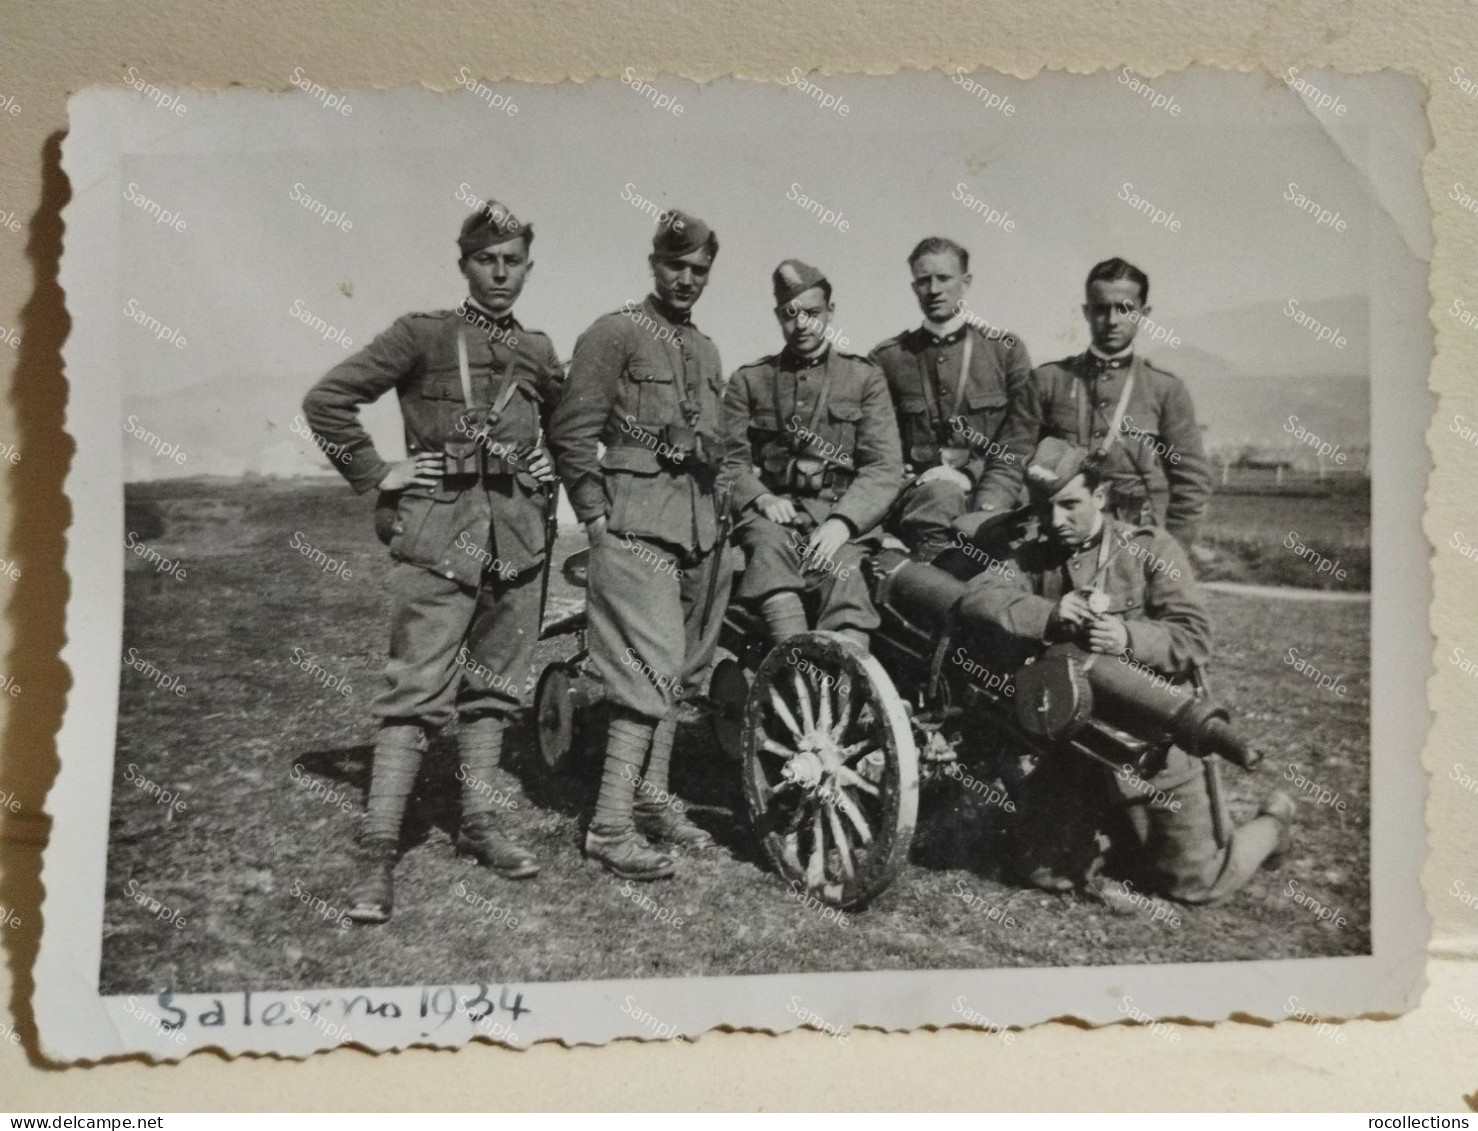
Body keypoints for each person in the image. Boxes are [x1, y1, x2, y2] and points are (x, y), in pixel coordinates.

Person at [301, 197, 562, 923]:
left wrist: (551, 468)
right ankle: (378, 847)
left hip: (517, 544)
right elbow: (328, 399)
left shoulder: (539, 352)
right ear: (465, 266)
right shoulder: (421, 335)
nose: (500, 273)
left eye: (513, 262)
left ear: (528, 268)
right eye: (487, 260)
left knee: (493, 693)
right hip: (440, 539)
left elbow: (569, 428)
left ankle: (479, 823)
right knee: (413, 695)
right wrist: (374, 470)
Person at [959, 437, 1294, 904]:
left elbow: (1194, 638)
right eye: (1047, 508)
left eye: (1071, 505)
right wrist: (1051, 614)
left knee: (1196, 884)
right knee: (1040, 872)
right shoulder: (1034, 555)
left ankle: (1274, 823)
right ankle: (1113, 838)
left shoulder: (1148, 549)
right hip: (1073, 747)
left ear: (1100, 497)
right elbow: (979, 597)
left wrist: (1129, 638)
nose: (1057, 521)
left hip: (1150, 741)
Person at [547, 210, 731, 881]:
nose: (687, 280)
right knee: (645, 672)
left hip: (698, 530)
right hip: (633, 525)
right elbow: (572, 431)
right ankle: (609, 825)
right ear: (653, 263)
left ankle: (652, 801)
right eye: (676, 266)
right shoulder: (614, 333)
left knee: (678, 673)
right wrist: (594, 515)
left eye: (700, 270)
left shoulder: (707, 351)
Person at [721, 259, 903, 648]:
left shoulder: (864, 378)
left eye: (812, 313)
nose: (802, 324)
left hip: (839, 511)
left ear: (830, 312)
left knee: (844, 572)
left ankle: (847, 691)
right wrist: (760, 496)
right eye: (790, 314)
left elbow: (883, 467)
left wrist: (844, 522)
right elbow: (728, 461)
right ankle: (793, 670)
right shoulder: (749, 381)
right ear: (778, 316)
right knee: (768, 550)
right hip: (775, 515)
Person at [870, 236, 1038, 561]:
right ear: (914, 287)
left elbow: (1023, 438)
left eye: (944, 278)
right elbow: (878, 445)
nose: (934, 290)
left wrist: (971, 474)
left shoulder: (1004, 350)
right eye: (923, 280)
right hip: (922, 497)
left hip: (994, 488)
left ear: (966, 282)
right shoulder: (888, 358)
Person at [1033, 257, 1212, 550]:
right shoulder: (1049, 381)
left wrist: (1169, 555)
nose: (1112, 320)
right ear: (1086, 312)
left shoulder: (1164, 389)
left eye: (1125, 309)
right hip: (1057, 540)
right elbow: (1014, 460)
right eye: (1101, 309)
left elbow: (1192, 484)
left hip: (1132, 546)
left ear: (1143, 313)